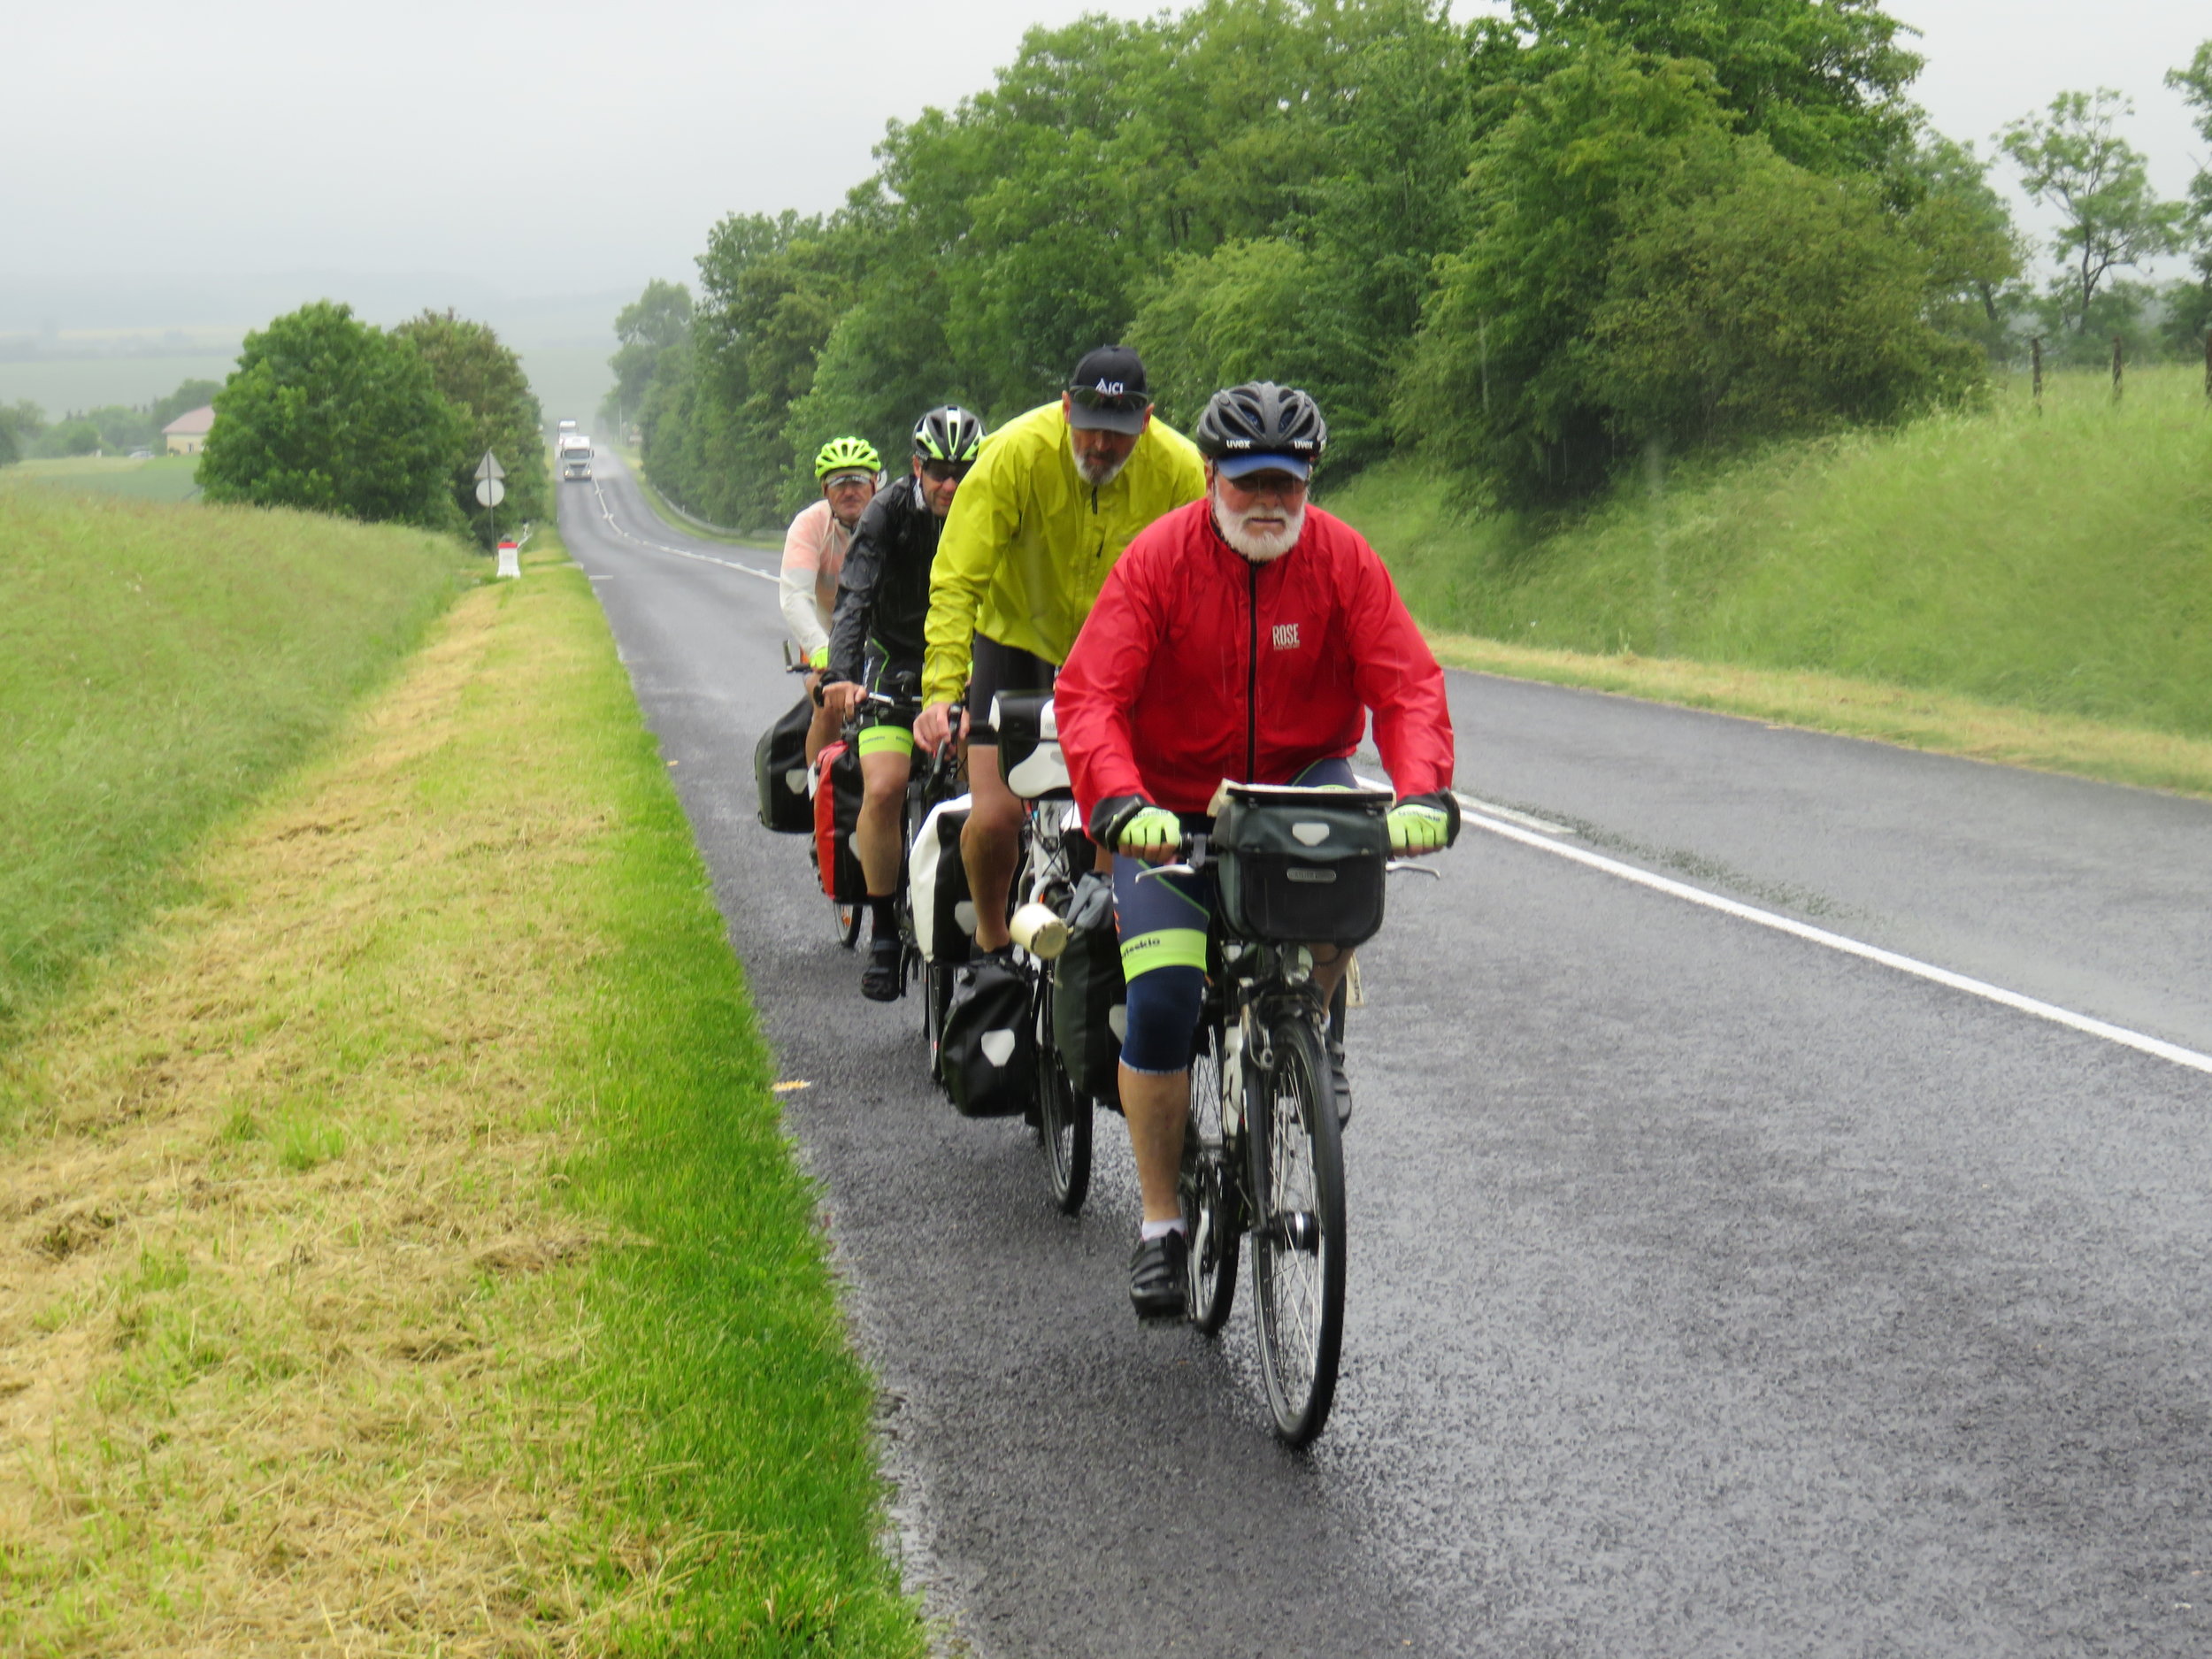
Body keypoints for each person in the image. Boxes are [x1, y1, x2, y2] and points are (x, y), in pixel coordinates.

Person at [1054, 381, 1461, 1320]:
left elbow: (1405, 685)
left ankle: (1307, 1030)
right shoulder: (1157, 563)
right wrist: (1118, 801)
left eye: (1287, 482)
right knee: (1158, 1000)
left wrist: (1423, 790)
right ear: (1208, 478)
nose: (1269, 502)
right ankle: (1161, 1226)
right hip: (1167, 802)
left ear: (1311, 478)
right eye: (1248, 484)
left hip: (1294, 783)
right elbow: (1091, 696)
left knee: (1348, 865)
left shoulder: (1340, 560)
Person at [913, 346, 1205, 954]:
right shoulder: (1015, 454)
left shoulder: (1179, 469)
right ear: (1066, 407)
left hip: (1118, 656)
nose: (1100, 446)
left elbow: (1204, 586)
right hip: (1017, 642)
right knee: (995, 820)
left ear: (1146, 421)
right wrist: (943, 691)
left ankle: (1102, 946)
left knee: (1119, 816)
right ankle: (993, 948)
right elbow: (957, 578)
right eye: (1089, 427)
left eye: (1118, 435)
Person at [820, 406, 987, 1000]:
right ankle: (886, 930)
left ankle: (981, 926)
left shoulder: (991, 506)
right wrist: (841, 675)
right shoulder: (887, 511)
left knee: (983, 792)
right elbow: (854, 594)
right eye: (939, 470)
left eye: (963, 470)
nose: (951, 483)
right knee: (886, 786)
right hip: (892, 663)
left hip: (964, 664)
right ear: (917, 467)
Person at [783, 435, 881, 763]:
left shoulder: (894, 519)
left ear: (875, 484)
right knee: (828, 707)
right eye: (838, 482)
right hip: (825, 643)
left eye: (857, 480)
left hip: (886, 645)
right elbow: (795, 596)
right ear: (825, 490)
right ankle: (819, 802)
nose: (849, 490)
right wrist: (820, 647)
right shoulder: (810, 525)